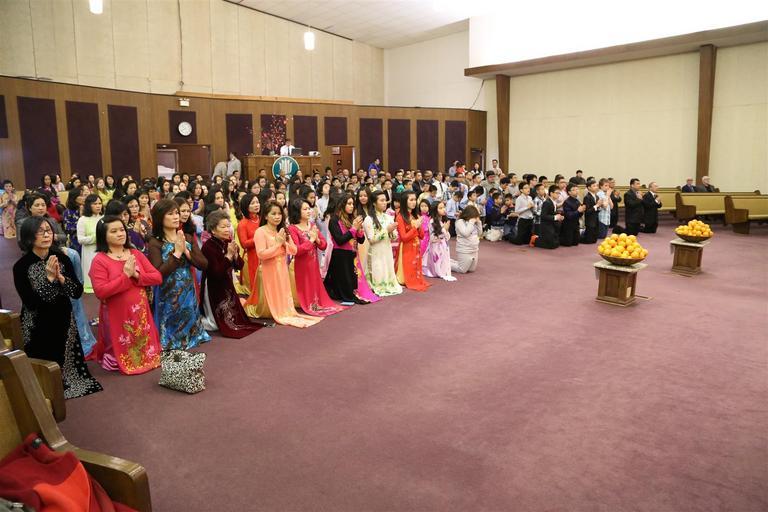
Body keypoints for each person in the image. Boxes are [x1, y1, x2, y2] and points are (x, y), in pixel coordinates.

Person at [12, 216, 102, 399]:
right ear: (29, 236)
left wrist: (61, 279)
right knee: (41, 359)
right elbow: (30, 303)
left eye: (48, 230)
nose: (46, 235)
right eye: (40, 231)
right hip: (36, 321)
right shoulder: (21, 266)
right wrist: (48, 280)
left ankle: (68, 380)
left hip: (62, 316)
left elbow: (76, 292)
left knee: (66, 355)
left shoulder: (63, 258)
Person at [89, 215, 163, 374]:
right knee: (122, 341)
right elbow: (101, 291)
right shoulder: (99, 260)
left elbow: (157, 277)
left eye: (122, 230)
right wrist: (125, 276)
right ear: (103, 236)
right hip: (116, 312)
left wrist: (136, 275)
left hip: (140, 309)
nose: (120, 234)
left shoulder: (135, 254)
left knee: (141, 336)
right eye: (113, 231)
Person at [246, 201, 323, 327]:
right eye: (273, 214)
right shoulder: (260, 231)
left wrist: (284, 243)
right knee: (271, 308)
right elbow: (261, 254)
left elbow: (294, 250)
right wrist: (277, 245)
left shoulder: (283, 231)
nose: (277, 217)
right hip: (267, 271)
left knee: (284, 305)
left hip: (282, 269)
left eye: (279, 214)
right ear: (266, 216)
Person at [148, 199, 211, 350]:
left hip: (188, 287)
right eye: (170, 214)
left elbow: (204, 264)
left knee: (189, 312)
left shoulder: (187, 237)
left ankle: (192, 335)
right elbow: (158, 273)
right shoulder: (155, 242)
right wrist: (176, 254)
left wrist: (187, 252)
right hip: (167, 291)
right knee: (170, 319)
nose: (176, 216)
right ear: (160, 217)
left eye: (176, 213)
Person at [199, 210, 263, 338]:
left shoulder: (228, 242)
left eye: (228, 226)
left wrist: (234, 255)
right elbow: (216, 272)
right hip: (213, 285)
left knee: (235, 317)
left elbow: (239, 266)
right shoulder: (208, 247)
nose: (227, 229)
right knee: (216, 323)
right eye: (222, 227)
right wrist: (228, 256)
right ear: (213, 230)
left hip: (227, 282)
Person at [287, 199, 347, 316]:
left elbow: (324, 246)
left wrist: (317, 239)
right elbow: (297, 251)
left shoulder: (312, 225)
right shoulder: (292, 228)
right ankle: (308, 303)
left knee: (315, 282)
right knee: (305, 284)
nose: (309, 211)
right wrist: (311, 240)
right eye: (305, 209)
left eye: (309, 208)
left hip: (314, 262)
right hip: (301, 264)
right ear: (297, 212)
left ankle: (316, 302)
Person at [324, 194, 369, 304]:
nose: (352, 206)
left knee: (353, 280)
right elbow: (340, 240)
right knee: (345, 283)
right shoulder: (334, 220)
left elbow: (361, 240)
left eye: (353, 204)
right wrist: (353, 229)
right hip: (340, 256)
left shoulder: (352, 219)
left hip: (352, 255)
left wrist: (359, 230)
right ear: (342, 205)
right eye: (349, 204)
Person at [362, 190, 403, 296]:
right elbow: (371, 240)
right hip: (375, 251)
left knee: (387, 267)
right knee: (378, 269)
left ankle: (389, 283)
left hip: (386, 249)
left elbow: (394, 237)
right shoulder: (368, 219)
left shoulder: (388, 217)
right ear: (374, 203)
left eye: (385, 200)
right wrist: (386, 230)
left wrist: (392, 231)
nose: (385, 203)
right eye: (382, 200)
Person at [396, 191, 429, 291]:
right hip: (406, 247)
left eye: (415, 200)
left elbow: (422, 236)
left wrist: (419, 226)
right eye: (411, 200)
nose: (414, 202)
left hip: (416, 245)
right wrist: (415, 227)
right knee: (408, 266)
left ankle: (413, 279)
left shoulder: (415, 216)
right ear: (404, 201)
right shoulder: (400, 217)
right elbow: (404, 237)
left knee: (415, 265)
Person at [423, 201, 456, 281]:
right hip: (435, 246)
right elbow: (433, 238)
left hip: (444, 245)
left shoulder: (443, 220)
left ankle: (443, 270)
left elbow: (447, 237)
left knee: (444, 259)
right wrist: (444, 230)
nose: (443, 209)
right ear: (435, 210)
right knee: (437, 261)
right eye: (440, 208)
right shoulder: (432, 222)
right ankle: (437, 271)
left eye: (444, 207)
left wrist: (446, 231)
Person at [76, 194, 103, 293]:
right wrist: (95, 237)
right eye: (95, 204)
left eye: (99, 203)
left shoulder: (103, 218)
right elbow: (80, 239)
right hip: (90, 252)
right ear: (88, 205)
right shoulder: (83, 220)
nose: (98, 206)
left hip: (103, 249)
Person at [236, 193, 260, 296]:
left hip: (265, 254)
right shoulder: (243, 223)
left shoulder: (262, 219)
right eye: (253, 203)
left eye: (257, 202)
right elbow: (244, 244)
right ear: (246, 206)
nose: (256, 205)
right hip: (251, 256)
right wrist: (259, 237)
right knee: (255, 285)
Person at [451, 205, 481, 274]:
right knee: (462, 270)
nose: (475, 218)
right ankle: (445, 263)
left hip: (474, 249)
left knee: (471, 269)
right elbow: (466, 233)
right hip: (464, 249)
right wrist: (471, 222)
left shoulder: (474, 222)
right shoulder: (460, 222)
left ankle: (453, 261)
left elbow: (480, 233)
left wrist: (479, 222)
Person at [580, 179, 600, 244]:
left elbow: (597, 208)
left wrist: (599, 206)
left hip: (596, 218)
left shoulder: (597, 196)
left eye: (596, 186)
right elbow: (587, 211)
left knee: (594, 239)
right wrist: (596, 206)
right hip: (590, 220)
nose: (596, 187)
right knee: (589, 240)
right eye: (594, 186)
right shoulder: (587, 197)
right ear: (589, 188)